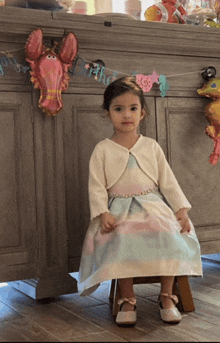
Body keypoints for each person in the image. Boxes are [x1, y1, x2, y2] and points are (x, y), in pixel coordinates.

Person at [77, 76, 203, 326]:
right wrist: (103, 213)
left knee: (167, 230)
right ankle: (127, 298)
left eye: (133, 108)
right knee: (120, 236)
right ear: (107, 113)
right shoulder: (103, 149)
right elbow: (96, 186)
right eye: (118, 109)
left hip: (152, 205)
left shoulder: (151, 146)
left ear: (142, 113)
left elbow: (168, 180)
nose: (127, 115)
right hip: (119, 209)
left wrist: (180, 209)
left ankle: (167, 296)